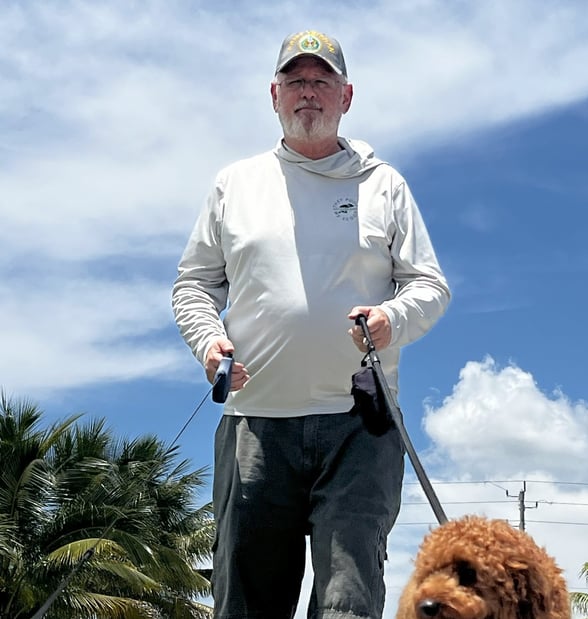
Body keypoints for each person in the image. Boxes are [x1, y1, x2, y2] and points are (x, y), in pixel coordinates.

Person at [171, 29, 450, 619]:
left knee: (348, 601)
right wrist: (207, 340)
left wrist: (390, 318)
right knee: (244, 600)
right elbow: (194, 285)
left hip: (360, 427)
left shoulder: (384, 184)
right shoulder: (234, 184)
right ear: (274, 95)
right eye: (295, 81)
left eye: (322, 81)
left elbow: (429, 286)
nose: (308, 93)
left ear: (346, 97)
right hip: (255, 424)